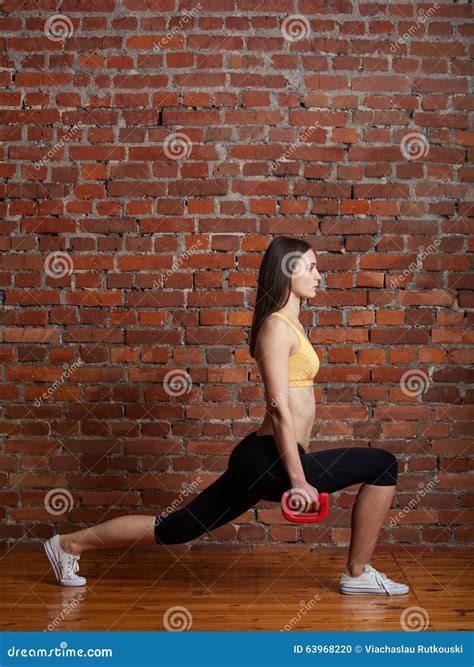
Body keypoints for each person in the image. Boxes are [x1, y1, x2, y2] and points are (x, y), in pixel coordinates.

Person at [44, 235, 409, 595]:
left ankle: (68, 545)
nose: (318, 276)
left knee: (176, 528)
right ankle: (358, 573)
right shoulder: (276, 327)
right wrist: (298, 480)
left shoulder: (291, 325)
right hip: (271, 459)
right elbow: (279, 406)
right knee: (382, 464)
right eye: (311, 267)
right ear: (289, 270)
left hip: (267, 458)